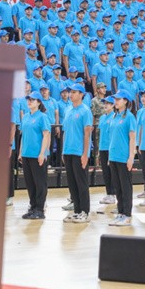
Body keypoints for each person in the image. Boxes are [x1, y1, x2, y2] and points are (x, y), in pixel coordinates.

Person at [60, 83, 93, 223]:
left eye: (74, 92)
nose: (71, 94)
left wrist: (85, 154)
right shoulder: (68, 110)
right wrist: (63, 151)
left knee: (81, 183)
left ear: (81, 94)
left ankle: (84, 211)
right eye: (70, 92)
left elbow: (87, 134)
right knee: (72, 183)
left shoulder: (85, 111)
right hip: (68, 151)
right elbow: (65, 132)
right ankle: (77, 210)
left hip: (79, 152)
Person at [20, 91, 51, 220]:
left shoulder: (42, 117)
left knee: (40, 183)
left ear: (38, 102)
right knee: (30, 183)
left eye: (32, 100)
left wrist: (42, 153)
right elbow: (23, 136)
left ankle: (40, 209)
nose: (29, 102)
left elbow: (46, 135)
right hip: (27, 154)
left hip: (37, 155)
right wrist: (21, 152)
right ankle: (33, 207)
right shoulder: (26, 117)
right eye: (28, 99)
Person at [107, 90, 136, 226]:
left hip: (123, 157)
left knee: (125, 187)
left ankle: (127, 214)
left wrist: (131, 156)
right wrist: (109, 156)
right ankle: (120, 212)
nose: (116, 101)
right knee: (117, 187)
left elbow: (132, 138)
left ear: (125, 101)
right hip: (113, 157)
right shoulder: (114, 116)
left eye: (118, 99)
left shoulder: (129, 117)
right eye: (115, 99)